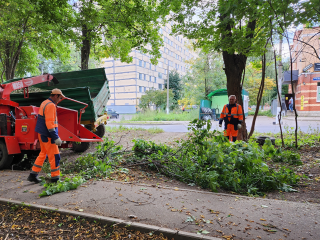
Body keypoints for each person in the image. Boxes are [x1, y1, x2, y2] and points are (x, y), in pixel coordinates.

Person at [27, 89, 65, 184]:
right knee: (55, 156)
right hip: (48, 135)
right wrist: (55, 137)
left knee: (43, 153)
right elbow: (50, 123)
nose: (60, 99)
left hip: (42, 133)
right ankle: (55, 179)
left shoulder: (44, 102)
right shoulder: (51, 105)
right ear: (55, 96)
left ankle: (33, 175)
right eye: (60, 97)